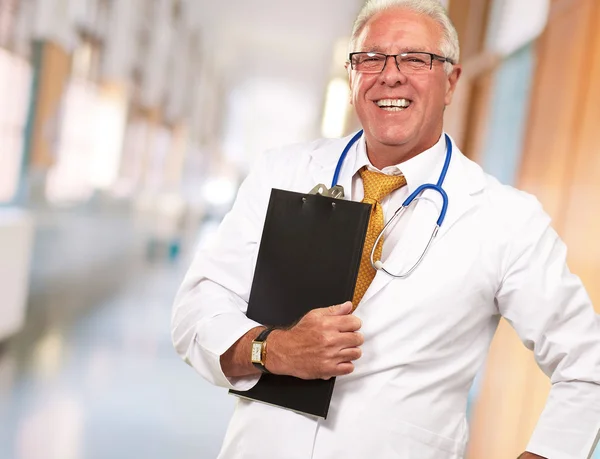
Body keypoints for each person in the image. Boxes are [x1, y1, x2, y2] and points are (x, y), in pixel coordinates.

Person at [171, 0, 600, 457]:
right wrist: (272, 349)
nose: (390, 75)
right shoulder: (284, 172)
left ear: (451, 81)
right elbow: (197, 309)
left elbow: (588, 365)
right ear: (353, 75)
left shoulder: (507, 220)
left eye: (416, 59)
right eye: (370, 58)